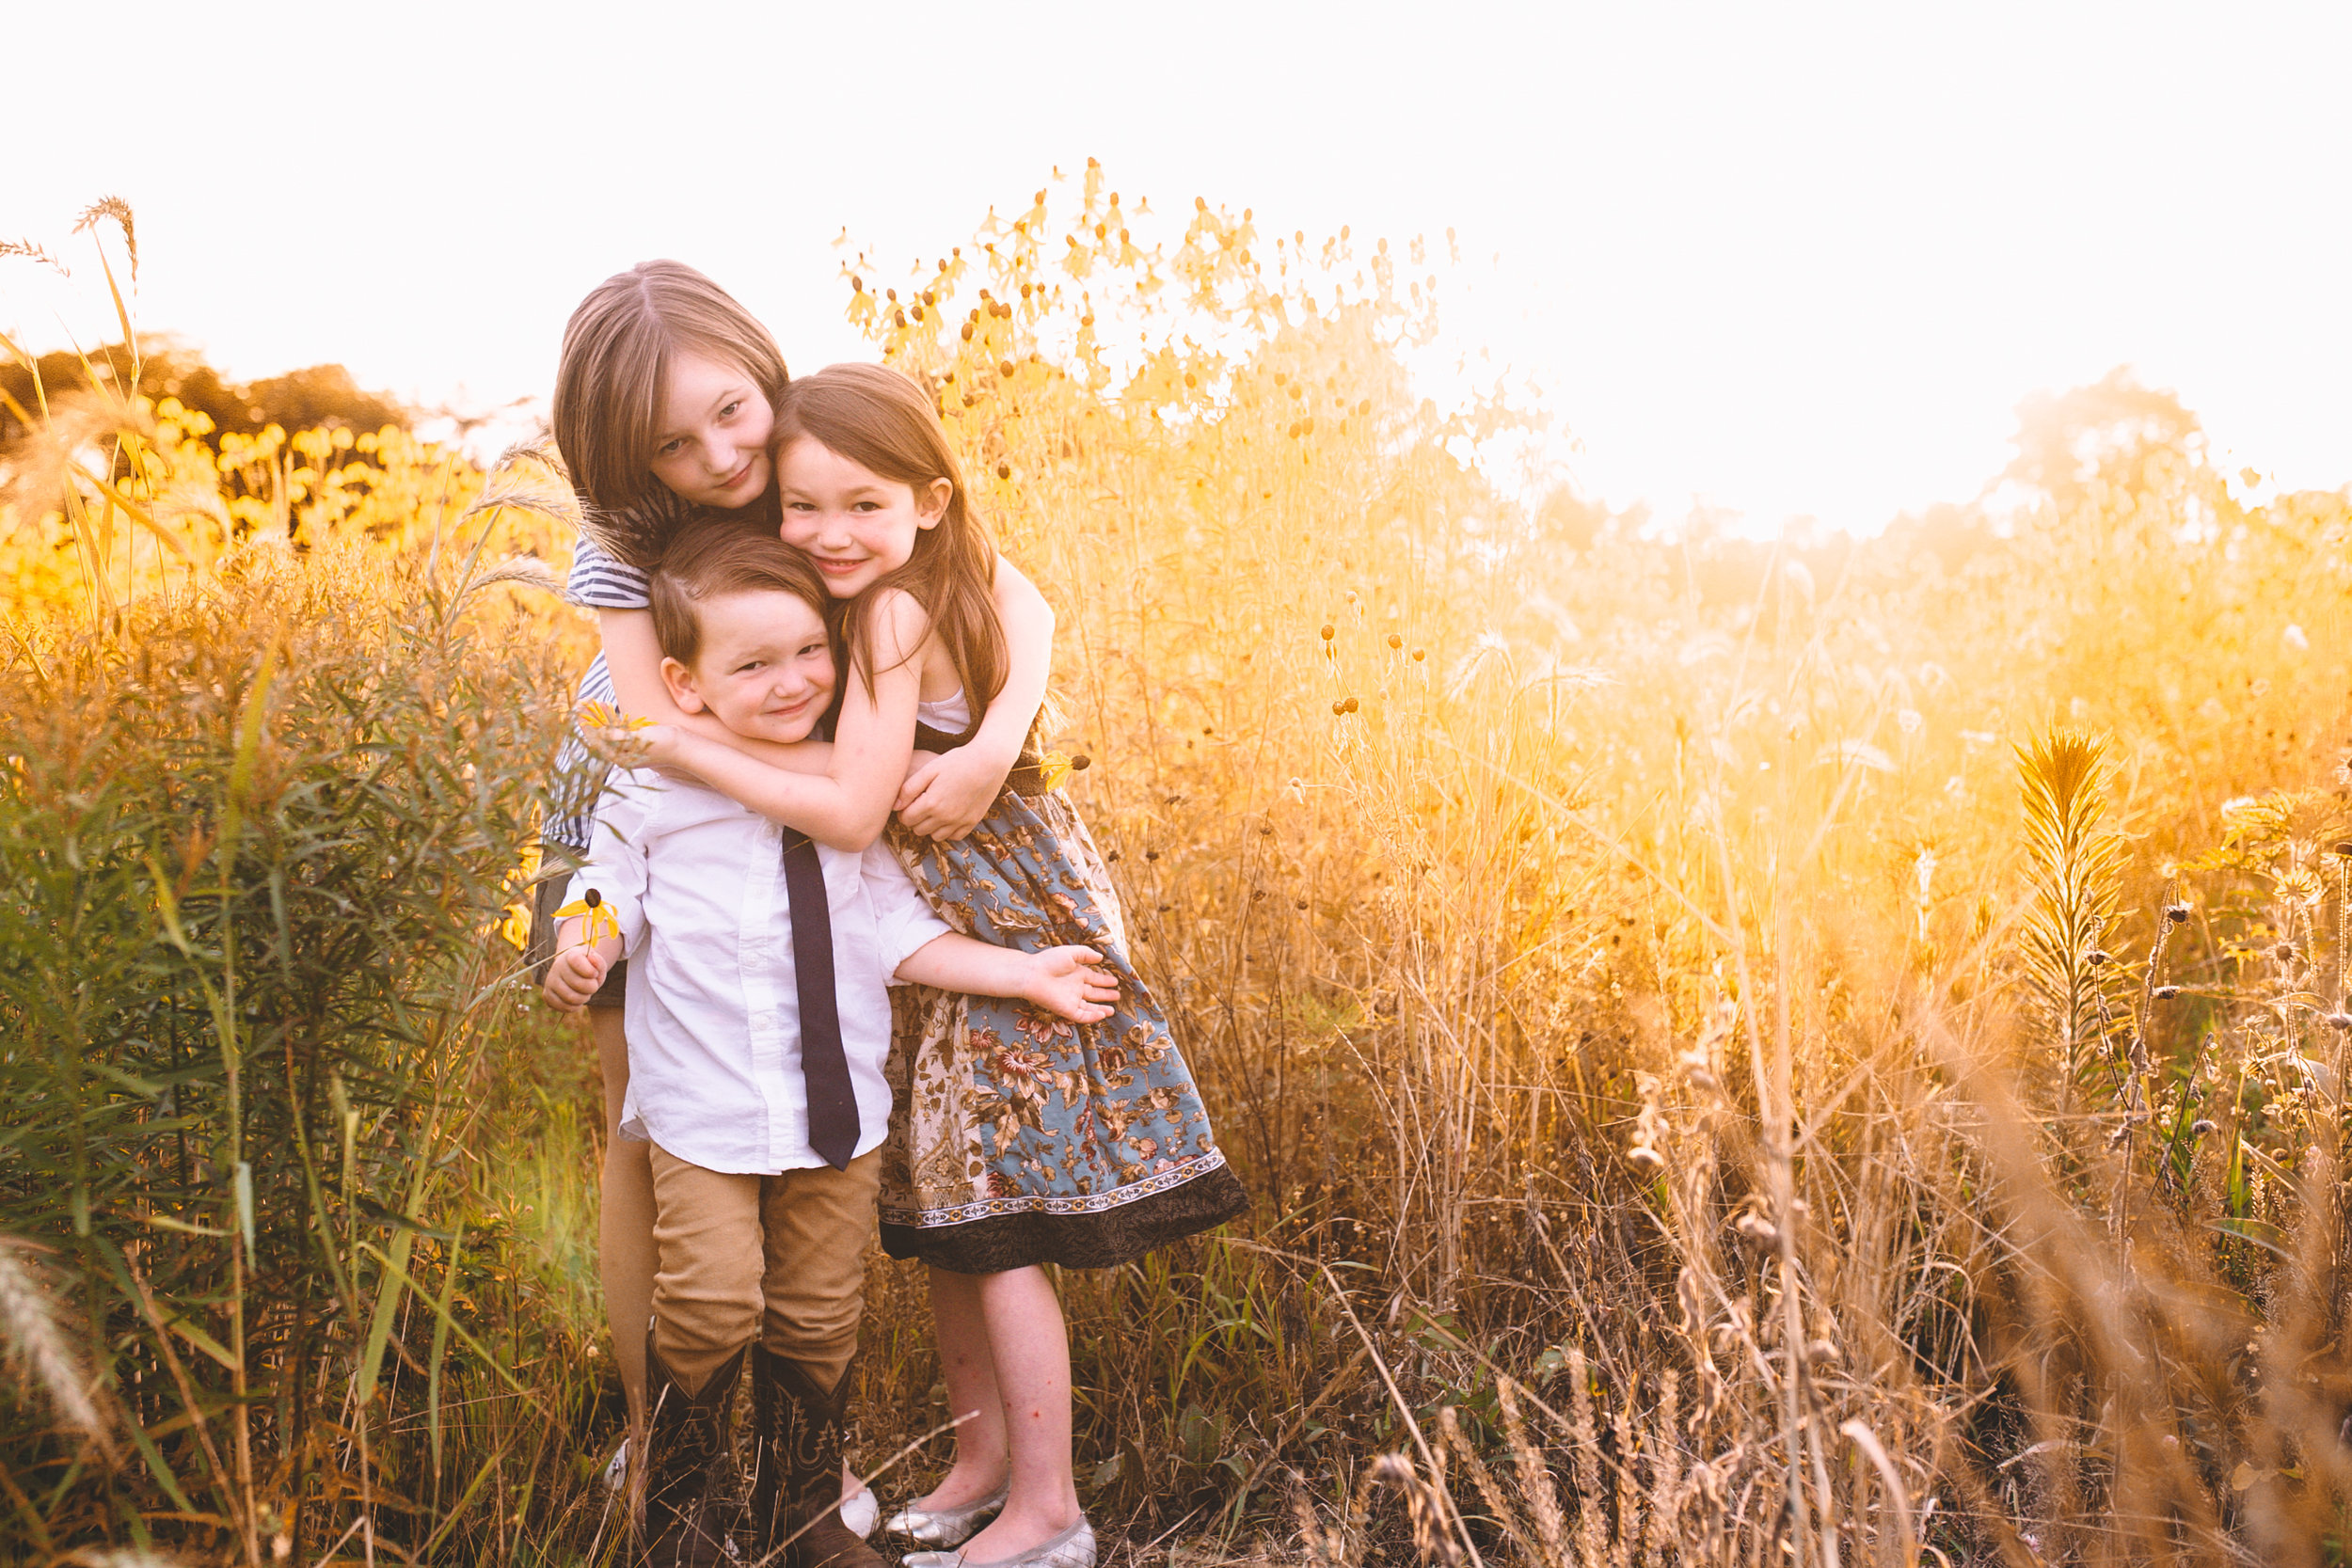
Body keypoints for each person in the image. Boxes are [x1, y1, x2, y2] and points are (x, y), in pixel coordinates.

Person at [631, 363, 1250, 1568]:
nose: (824, 533)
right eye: (800, 509)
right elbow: (1033, 601)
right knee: (949, 1204)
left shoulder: (891, 612)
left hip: (1000, 922)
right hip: (965, 918)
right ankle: (980, 1468)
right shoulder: (932, 569)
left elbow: (855, 812)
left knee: (997, 1217)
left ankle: (1048, 1509)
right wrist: (1003, 730)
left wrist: (686, 748)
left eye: (860, 505)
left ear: (927, 498)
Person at [532, 261, 1057, 1516]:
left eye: (730, 409)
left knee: (815, 1096)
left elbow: (1005, 584)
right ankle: (667, 1448)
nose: (719, 454)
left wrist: (984, 746)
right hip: (644, 829)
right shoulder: (623, 548)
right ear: (622, 454)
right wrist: (866, 779)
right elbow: (664, 742)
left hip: (810, 811)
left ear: (761, 368)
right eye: (670, 442)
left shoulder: (820, 465)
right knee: (650, 1122)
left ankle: (798, 1463)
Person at [543, 521, 1120, 1568]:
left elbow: (903, 931)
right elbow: (603, 884)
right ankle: (680, 1512)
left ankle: (803, 1515)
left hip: (837, 1114)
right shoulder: (657, 791)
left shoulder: (849, 796)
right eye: (751, 663)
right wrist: (582, 942)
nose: (790, 680)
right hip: (705, 1114)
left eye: (810, 652)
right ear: (682, 681)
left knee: (817, 1314)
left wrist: (1023, 971)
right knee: (712, 1301)